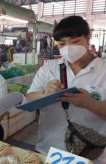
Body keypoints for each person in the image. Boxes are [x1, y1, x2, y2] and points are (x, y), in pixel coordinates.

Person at [25, 16, 106, 163]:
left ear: (88, 38)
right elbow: (28, 99)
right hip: (48, 150)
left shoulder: (103, 70)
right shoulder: (49, 68)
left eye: (75, 42)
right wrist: (45, 93)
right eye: (62, 44)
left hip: (89, 153)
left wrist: (90, 103)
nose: (68, 48)